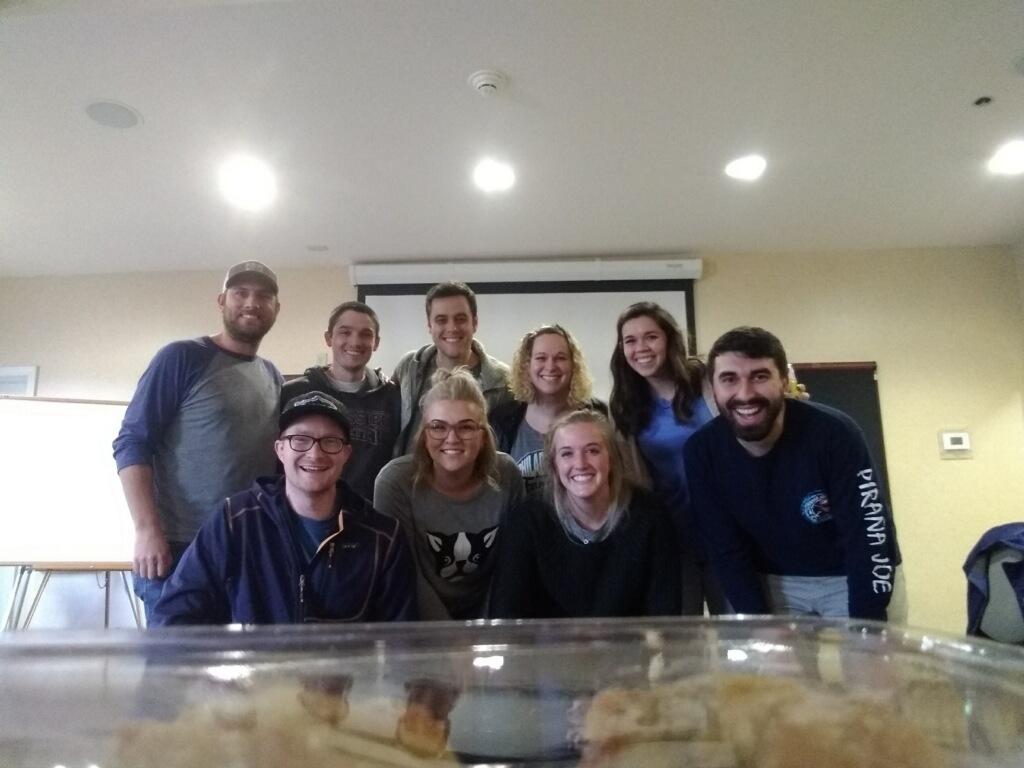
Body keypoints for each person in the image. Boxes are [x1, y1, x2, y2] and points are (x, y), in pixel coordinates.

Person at [683, 326, 906, 622]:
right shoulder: (701, 451)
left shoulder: (836, 433)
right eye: (729, 379)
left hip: (853, 573)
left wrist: (867, 627)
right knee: (767, 653)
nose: (745, 393)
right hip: (773, 581)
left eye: (760, 376)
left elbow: (868, 534)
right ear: (713, 389)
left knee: (869, 650)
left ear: (784, 382)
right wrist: (758, 621)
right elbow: (725, 548)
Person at [151, 391, 416, 625]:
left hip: (346, 669)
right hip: (255, 668)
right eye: (300, 440)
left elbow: (399, 640)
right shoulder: (235, 520)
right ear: (280, 450)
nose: (315, 454)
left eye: (330, 441)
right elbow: (173, 614)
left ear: (346, 454)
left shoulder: (383, 538)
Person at [113, 260, 283, 622]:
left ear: (276, 309)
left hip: (246, 549)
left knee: (242, 659)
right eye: (240, 293)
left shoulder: (272, 375)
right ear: (221, 301)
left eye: (263, 296)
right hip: (178, 550)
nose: (252, 303)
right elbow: (132, 442)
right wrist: (147, 530)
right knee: (174, 659)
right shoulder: (180, 357)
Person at [489, 410, 682, 619]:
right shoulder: (528, 518)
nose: (580, 464)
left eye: (592, 451)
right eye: (567, 454)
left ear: (611, 459)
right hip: (551, 640)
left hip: (628, 639)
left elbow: (665, 612)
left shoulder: (650, 515)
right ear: (554, 465)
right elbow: (506, 612)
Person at [374, 368, 524, 620]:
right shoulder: (395, 482)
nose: (452, 438)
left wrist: (487, 629)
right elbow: (405, 572)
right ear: (424, 435)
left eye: (465, 427)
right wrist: (451, 635)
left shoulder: (507, 474)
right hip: (419, 620)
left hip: (489, 621)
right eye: (438, 427)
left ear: (483, 436)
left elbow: (509, 567)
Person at [609, 301, 727, 616]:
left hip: (730, 534)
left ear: (670, 339)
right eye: (630, 340)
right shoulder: (624, 405)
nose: (640, 348)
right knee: (680, 637)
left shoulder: (709, 380)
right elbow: (633, 479)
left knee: (739, 631)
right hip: (675, 540)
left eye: (651, 337)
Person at [281, 301, 401, 501]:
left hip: (371, 512)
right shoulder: (294, 393)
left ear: (376, 342)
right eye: (345, 332)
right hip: (306, 509)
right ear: (329, 338)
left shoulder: (391, 397)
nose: (355, 341)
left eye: (365, 334)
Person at [392, 281, 512, 454]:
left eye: (460, 319)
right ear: (429, 326)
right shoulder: (409, 367)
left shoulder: (503, 381)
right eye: (441, 320)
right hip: (408, 471)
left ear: (475, 323)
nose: (452, 328)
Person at [488, 324, 607, 493]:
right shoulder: (501, 419)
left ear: (573, 365)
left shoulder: (598, 415)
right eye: (541, 358)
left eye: (560, 358)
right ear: (527, 365)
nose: (550, 366)